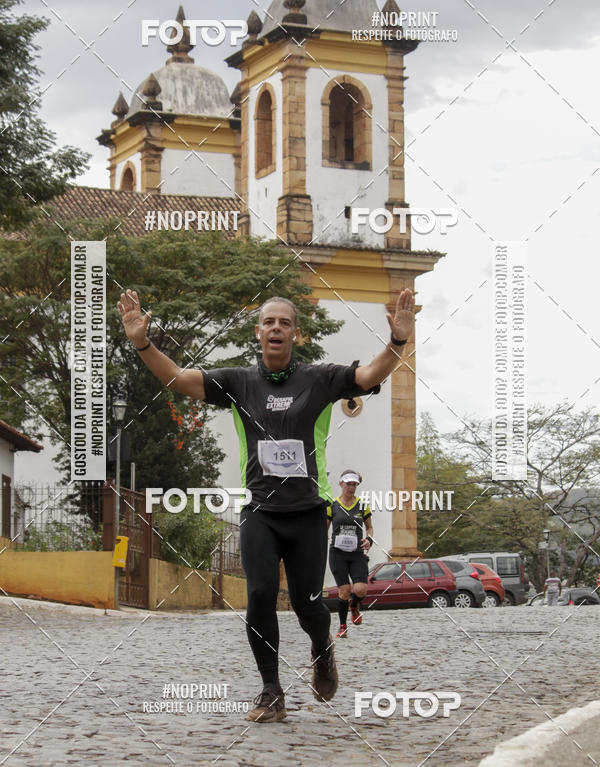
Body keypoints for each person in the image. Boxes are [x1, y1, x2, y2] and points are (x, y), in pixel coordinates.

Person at [117, 287, 415, 723]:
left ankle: (321, 647)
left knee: (307, 602)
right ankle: (271, 691)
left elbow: (369, 375)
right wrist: (142, 341)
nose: (276, 328)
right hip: (260, 511)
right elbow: (179, 379)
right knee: (258, 595)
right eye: (269, 322)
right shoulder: (238, 382)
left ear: (296, 334)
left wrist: (399, 342)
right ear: (258, 332)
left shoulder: (320, 379)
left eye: (285, 322)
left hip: (310, 513)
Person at [328, 470, 373, 638]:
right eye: (348, 484)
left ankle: (354, 606)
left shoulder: (362, 505)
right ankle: (342, 626)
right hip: (337, 553)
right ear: (341, 484)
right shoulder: (332, 504)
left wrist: (369, 539)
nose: (351, 488)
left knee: (360, 590)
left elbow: (369, 527)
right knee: (344, 590)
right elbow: (324, 527)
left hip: (356, 553)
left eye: (354, 485)